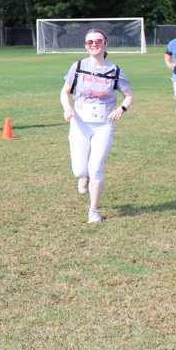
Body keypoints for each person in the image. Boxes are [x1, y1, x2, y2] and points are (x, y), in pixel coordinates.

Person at [60, 29, 134, 224]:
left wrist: (121, 109)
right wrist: (67, 108)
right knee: (79, 171)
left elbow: (129, 95)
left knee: (96, 170)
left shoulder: (114, 70)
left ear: (105, 44)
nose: (94, 44)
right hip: (80, 124)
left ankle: (93, 210)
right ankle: (83, 177)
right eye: (90, 42)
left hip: (104, 125)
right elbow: (65, 91)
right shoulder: (78, 66)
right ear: (86, 46)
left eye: (98, 41)